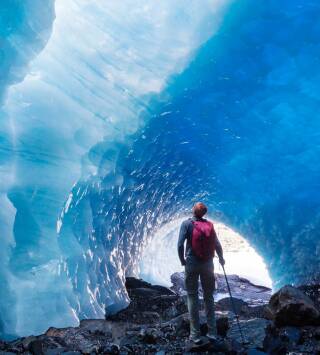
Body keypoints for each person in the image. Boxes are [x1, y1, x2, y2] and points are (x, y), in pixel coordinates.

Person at [177, 202, 225, 344]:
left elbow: (180, 245)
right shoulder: (209, 225)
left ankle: (195, 335)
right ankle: (212, 332)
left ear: (194, 211)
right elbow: (217, 244)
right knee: (208, 296)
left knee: (192, 296)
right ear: (203, 213)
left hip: (192, 262)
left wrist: (182, 261)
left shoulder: (186, 224)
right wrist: (221, 258)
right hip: (208, 264)